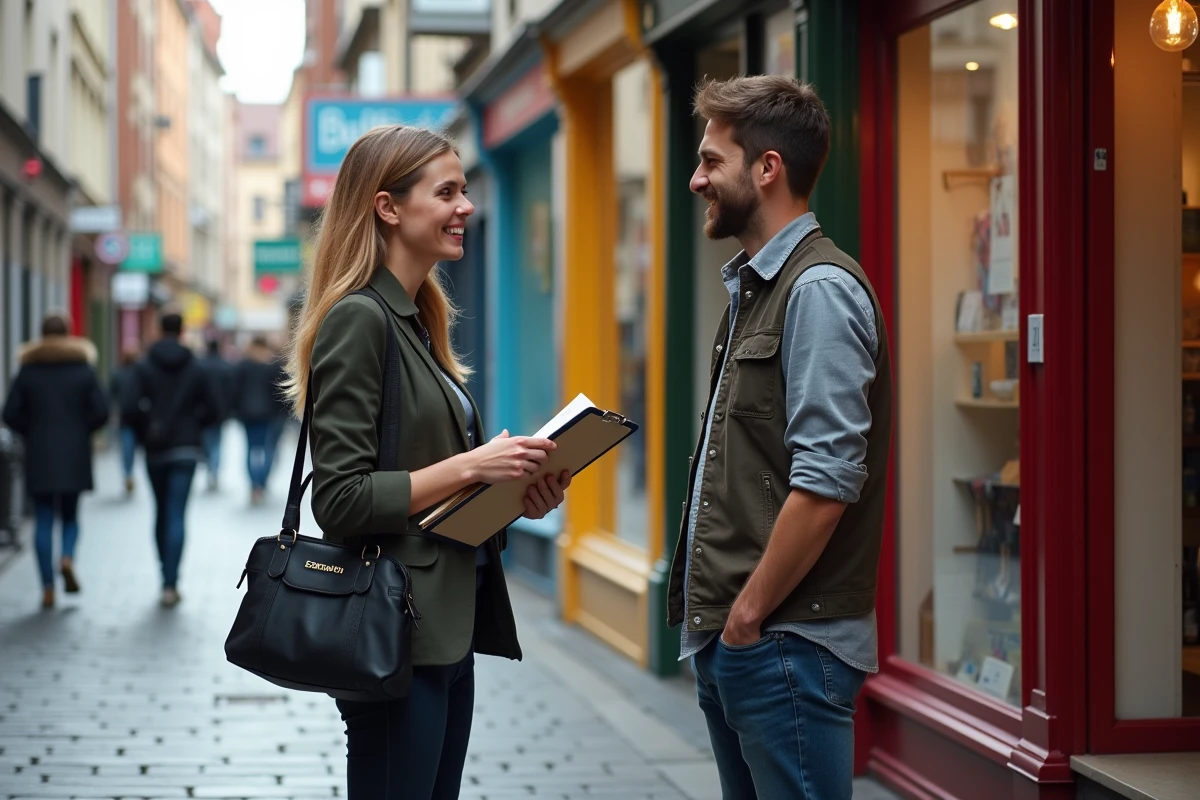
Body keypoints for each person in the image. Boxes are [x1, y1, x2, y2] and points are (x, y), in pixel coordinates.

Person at [284, 124, 571, 799]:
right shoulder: (360, 319)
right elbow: (343, 499)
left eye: (464, 191)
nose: (465, 207)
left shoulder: (418, 320)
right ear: (388, 207)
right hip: (391, 635)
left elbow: (434, 504)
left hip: (442, 627)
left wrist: (514, 497)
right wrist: (476, 466)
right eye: (447, 192)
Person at [666, 76, 893, 799]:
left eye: (712, 160)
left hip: (784, 645)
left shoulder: (818, 290)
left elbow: (826, 484)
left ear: (767, 169)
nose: (697, 179)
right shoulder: (758, 288)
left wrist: (746, 621)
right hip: (749, 643)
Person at [2, 313, 109, 609]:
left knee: (44, 518)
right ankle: (67, 558)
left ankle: (47, 587)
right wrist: (81, 429)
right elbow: (101, 411)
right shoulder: (83, 369)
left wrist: (32, 431)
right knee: (71, 516)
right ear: (69, 333)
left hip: (39, 453)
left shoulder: (27, 370)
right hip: (74, 452)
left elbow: (10, 413)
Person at [121, 312, 221, 607]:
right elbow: (215, 409)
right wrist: (195, 426)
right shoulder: (196, 366)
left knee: (161, 511)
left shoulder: (144, 366)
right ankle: (170, 583)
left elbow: (127, 409)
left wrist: (147, 428)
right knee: (177, 514)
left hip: (155, 449)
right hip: (186, 448)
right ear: (182, 331)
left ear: (158, 329)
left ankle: (163, 574)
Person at [233, 336, 288, 504]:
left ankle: (254, 484)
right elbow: (280, 392)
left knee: (251, 449)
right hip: (268, 414)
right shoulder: (273, 366)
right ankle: (262, 483)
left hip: (247, 414)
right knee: (267, 449)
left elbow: (235, 390)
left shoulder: (243, 366)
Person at [198, 338, 235, 491]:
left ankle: (210, 465)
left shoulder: (200, 366)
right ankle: (214, 469)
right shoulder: (224, 366)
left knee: (206, 441)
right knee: (217, 442)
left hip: (203, 411)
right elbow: (231, 391)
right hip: (220, 412)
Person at [109, 348, 141, 495]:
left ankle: (128, 473)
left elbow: (110, 396)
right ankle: (129, 473)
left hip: (124, 417)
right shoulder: (140, 374)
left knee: (126, 447)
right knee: (131, 447)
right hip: (138, 416)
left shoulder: (118, 373)